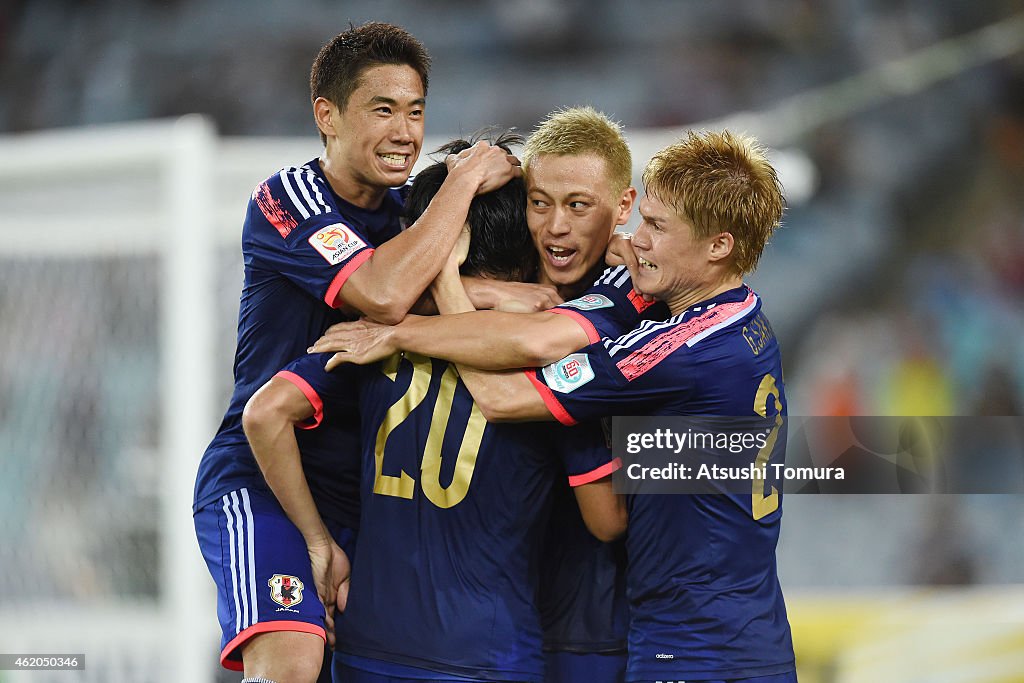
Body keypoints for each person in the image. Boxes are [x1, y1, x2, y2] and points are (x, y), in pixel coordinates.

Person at [327, 130, 798, 683]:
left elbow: (505, 397)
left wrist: (404, 328)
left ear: (717, 246)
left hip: (691, 641)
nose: (635, 240)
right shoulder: (741, 319)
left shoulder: (677, 348)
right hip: (744, 632)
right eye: (642, 220)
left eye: (656, 227)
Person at [191, 23, 549, 683]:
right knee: (292, 662)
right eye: (383, 109)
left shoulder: (404, 218)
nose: (406, 132)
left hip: (362, 495)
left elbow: (445, 285)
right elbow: (383, 293)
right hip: (266, 477)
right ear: (326, 115)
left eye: (416, 112)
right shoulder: (288, 197)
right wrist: (465, 178)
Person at [244, 134, 626, 683]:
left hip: (367, 644)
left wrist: (316, 540)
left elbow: (265, 413)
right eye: (541, 207)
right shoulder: (557, 364)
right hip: (488, 651)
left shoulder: (369, 340)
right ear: (527, 243)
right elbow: (606, 518)